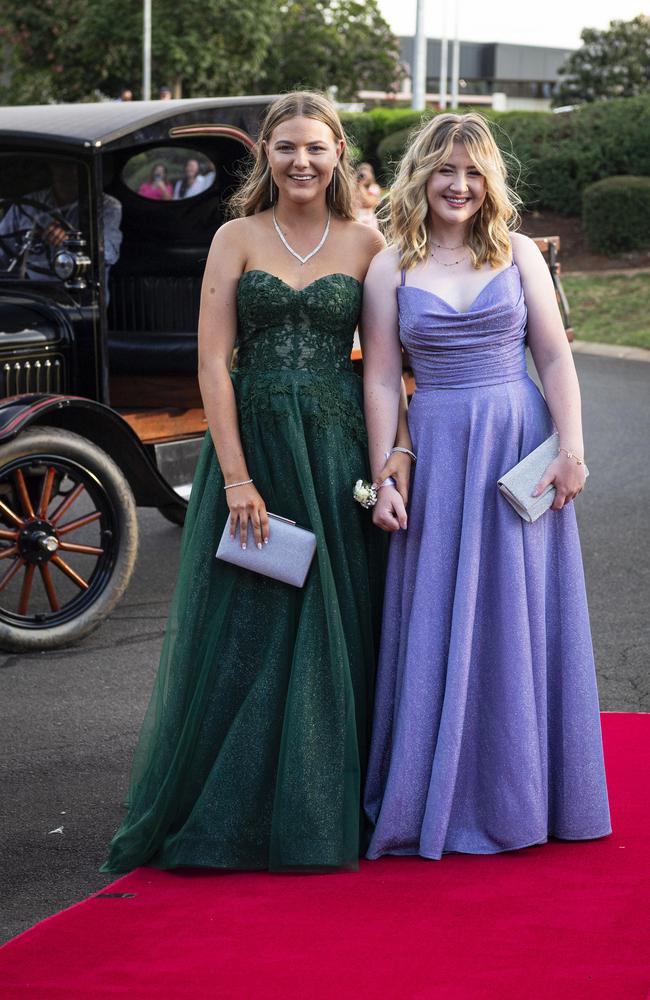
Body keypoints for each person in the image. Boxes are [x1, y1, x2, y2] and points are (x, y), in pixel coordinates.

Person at [102, 91, 411, 875]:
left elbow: (383, 365)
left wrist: (388, 461)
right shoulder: (235, 236)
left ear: (339, 152)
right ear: (266, 156)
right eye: (286, 148)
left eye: (315, 147)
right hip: (257, 450)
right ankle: (236, 803)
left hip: (337, 449)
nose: (301, 161)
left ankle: (320, 800)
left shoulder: (367, 241)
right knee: (256, 620)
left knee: (335, 622)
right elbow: (213, 361)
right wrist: (236, 477)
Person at [362, 112, 611, 860]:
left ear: (489, 181)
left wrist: (572, 446)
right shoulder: (390, 266)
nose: (459, 185)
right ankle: (437, 790)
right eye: (445, 170)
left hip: (517, 449)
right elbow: (378, 377)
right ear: (422, 176)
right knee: (440, 613)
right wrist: (384, 473)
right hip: (437, 450)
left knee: (519, 616)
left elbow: (556, 359)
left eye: (472, 172)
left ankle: (526, 793)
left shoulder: (520, 254)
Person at [0, 160, 122, 282]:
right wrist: (32, 238)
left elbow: (107, 254)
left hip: (82, 291)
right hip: (33, 290)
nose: (69, 172)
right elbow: (2, 250)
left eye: (75, 166)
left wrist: (70, 241)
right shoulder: (26, 205)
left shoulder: (106, 206)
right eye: (62, 165)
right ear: (52, 167)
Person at [354, 162, 381, 228]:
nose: (363, 177)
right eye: (361, 175)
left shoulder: (374, 188)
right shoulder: (354, 188)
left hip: (369, 223)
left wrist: (361, 186)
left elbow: (369, 203)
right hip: (356, 221)